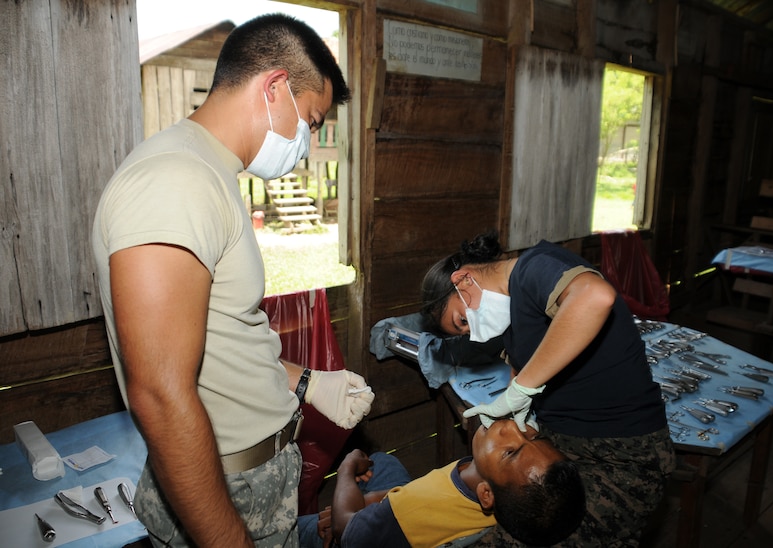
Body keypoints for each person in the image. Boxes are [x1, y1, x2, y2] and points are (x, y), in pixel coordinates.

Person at [91, 14, 374, 548]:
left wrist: (311, 383)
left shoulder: (208, 173)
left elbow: (221, 338)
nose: (308, 142)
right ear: (274, 88)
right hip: (226, 491)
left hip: (256, 480)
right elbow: (159, 393)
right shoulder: (174, 181)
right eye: (311, 121)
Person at [420, 231, 675, 547]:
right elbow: (529, 367)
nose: (474, 332)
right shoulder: (513, 318)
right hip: (564, 448)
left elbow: (595, 296)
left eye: (462, 321)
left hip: (622, 458)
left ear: (464, 280)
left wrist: (521, 390)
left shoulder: (534, 267)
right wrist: (517, 400)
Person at [298, 419, 585, 548]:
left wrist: (347, 468)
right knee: (383, 461)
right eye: (532, 438)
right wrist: (373, 503)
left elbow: (345, 531)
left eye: (510, 451)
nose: (511, 427)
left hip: (362, 530)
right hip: (402, 506)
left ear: (487, 494)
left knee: (299, 528)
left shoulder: (418, 510)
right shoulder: (495, 492)